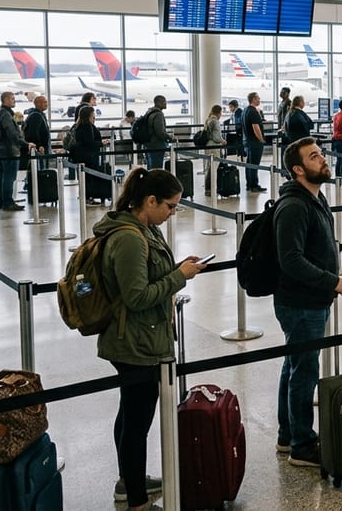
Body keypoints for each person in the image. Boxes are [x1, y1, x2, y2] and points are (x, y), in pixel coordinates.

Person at [95, 168, 206, 510]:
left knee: (130, 413)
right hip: (135, 342)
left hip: (143, 336)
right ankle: (137, 500)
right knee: (137, 421)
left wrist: (177, 267)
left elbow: (150, 274)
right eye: (170, 206)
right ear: (150, 200)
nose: (173, 213)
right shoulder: (129, 237)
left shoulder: (145, 228)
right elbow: (137, 296)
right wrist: (179, 277)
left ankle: (130, 479)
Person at [272, 137, 342, 466]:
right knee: (304, 372)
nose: (323, 160)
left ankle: (287, 434)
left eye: (320, 154)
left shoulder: (314, 197)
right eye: (314, 157)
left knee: (293, 366)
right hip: (301, 303)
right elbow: (290, 260)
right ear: (297, 169)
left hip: (312, 300)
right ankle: (302, 446)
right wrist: (334, 282)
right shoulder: (294, 206)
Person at [0, 92, 33, 211]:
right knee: (9, 177)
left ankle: (2, 201)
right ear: (5, 100)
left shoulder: (1, 113)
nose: (14, 101)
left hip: (2, 149)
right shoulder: (5, 114)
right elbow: (12, 133)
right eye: (12, 99)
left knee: (2, 176)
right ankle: (8, 202)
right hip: (9, 150)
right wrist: (25, 143)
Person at [71, 106, 110, 205]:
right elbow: (89, 142)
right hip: (88, 156)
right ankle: (88, 197)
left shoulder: (79, 125)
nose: (94, 116)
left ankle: (86, 197)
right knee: (89, 177)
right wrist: (101, 143)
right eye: (93, 114)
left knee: (85, 177)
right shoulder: (87, 126)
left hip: (82, 155)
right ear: (89, 115)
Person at [21, 95, 50, 193]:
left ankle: (35, 185)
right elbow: (34, 132)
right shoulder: (36, 116)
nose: (46, 104)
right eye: (44, 102)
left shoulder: (38, 114)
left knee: (37, 168)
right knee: (38, 168)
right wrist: (39, 145)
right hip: (38, 148)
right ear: (37, 104)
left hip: (39, 147)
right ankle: (36, 187)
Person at [243, 92, 267, 193]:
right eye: (258, 98)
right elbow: (256, 127)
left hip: (247, 141)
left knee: (249, 163)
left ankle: (249, 184)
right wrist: (261, 139)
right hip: (254, 142)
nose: (259, 100)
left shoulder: (245, 110)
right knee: (254, 164)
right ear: (253, 99)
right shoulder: (253, 112)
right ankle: (254, 185)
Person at [140, 96, 170, 171]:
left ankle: (150, 182)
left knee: (150, 168)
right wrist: (170, 137)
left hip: (148, 144)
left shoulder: (149, 112)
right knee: (157, 169)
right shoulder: (158, 114)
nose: (166, 103)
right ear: (158, 103)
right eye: (164, 102)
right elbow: (160, 132)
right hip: (156, 146)